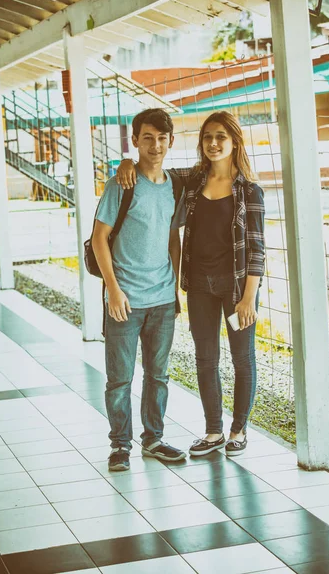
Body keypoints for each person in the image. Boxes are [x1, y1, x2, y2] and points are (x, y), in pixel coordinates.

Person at [116, 111, 265, 458]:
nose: (213, 144)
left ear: (234, 143)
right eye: (208, 137)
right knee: (205, 358)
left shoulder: (249, 191)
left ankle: (239, 429)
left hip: (236, 288)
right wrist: (125, 161)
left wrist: (249, 298)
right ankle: (213, 431)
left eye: (221, 138)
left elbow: (257, 250)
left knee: (243, 358)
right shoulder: (192, 180)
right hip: (199, 284)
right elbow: (152, 167)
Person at [92, 108, 187, 471]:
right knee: (119, 379)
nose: (155, 145)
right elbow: (99, 239)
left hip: (163, 299)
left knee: (158, 376)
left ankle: (154, 440)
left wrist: (176, 286)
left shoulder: (175, 185)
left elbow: (172, 237)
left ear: (171, 141)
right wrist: (113, 290)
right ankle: (120, 446)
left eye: (162, 138)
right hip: (124, 300)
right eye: (147, 137)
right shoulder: (121, 185)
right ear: (134, 141)